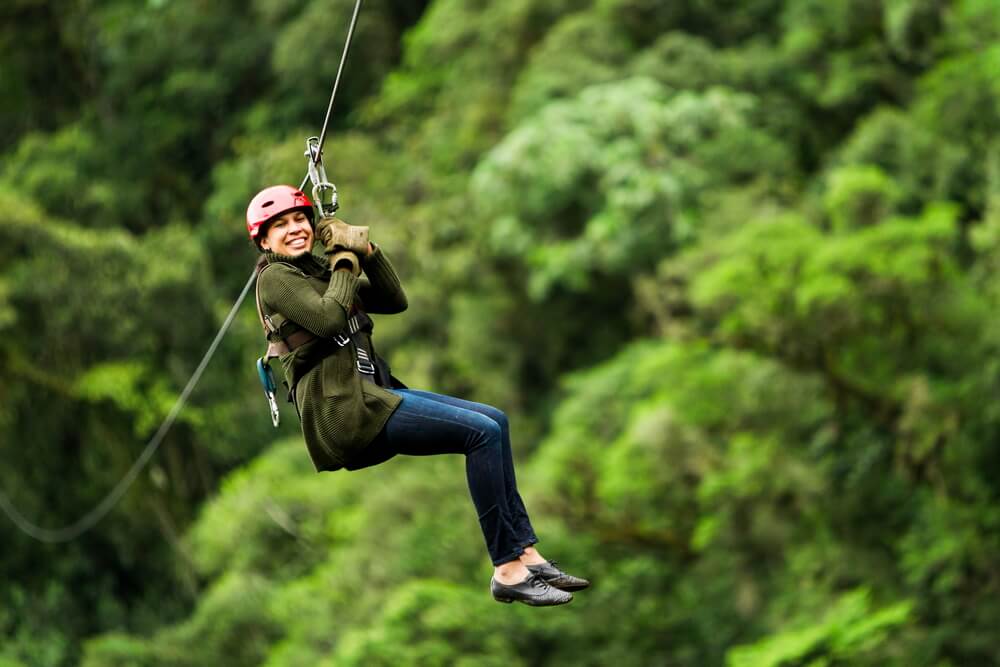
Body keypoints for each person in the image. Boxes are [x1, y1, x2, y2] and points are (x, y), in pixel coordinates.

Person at [247, 185, 589, 606]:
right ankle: (507, 569)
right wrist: (343, 261)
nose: (294, 229)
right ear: (264, 241)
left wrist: (367, 251)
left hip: (371, 396)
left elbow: (395, 300)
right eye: (280, 226)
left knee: (495, 421)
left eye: (300, 219)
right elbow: (330, 318)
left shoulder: (317, 273)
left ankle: (527, 554)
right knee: (479, 434)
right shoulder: (275, 278)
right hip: (344, 414)